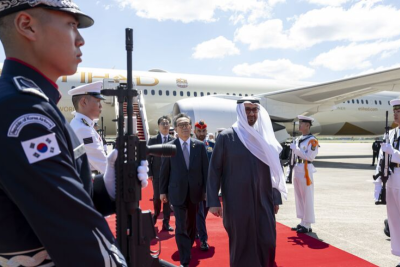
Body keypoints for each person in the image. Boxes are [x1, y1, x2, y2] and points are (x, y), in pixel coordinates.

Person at [0, 1, 146, 265]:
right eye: (71, 25)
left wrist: (107, 189)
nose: (81, 40)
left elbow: (55, 200)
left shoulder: (32, 102)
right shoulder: (24, 111)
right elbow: (77, 236)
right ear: (27, 26)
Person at [207, 98, 287, 267]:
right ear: (240, 112)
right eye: (247, 110)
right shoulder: (227, 137)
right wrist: (213, 201)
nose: (251, 113)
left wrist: (275, 198)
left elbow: (274, 170)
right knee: (242, 243)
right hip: (237, 202)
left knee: (268, 240)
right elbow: (214, 170)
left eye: (254, 110)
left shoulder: (263, 138)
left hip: (263, 199)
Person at [159, 113, 209, 267]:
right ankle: (185, 259)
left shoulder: (199, 146)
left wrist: (208, 191)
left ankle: (188, 246)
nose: (185, 128)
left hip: (195, 193)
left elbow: (205, 170)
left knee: (192, 226)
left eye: (187, 124)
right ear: (176, 128)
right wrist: (162, 192)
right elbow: (164, 171)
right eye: (181, 125)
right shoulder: (170, 147)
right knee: (181, 225)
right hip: (177, 192)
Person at [376, 99, 400, 267]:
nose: (395, 114)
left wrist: (394, 152)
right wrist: (378, 181)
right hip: (391, 177)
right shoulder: (391, 133)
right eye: (394, 111)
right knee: (394, 219)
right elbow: (381, 157)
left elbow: (392, 152)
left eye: (398, 111)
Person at [69, 81, 107, 174]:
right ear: (84, 102)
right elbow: (103, 165)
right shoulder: (83, 129)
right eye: (98, 101)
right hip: (89, 180)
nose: (101, 106)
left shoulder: (80, 124)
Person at [290, 115, 319, 234]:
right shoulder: (298, 139)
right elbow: (293, 156)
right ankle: (302, 221)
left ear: (307, 125)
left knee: (307, 197)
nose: (299, 125)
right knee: (299, 197)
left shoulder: (312, 140)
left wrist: (296, 149)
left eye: (301, 123)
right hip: (298, 168)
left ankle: (308, 223)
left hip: (306, 169)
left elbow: (310, 156)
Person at [147, 115, 174, 231]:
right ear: (158, 126)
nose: (165, 125)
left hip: (170, 174)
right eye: (163, 123)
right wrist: (150, 172)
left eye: (167, 123)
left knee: (168, 198)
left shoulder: (173, 140)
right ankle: (156, 214)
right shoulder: (153, 140)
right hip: (157, 173)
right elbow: (148, 156)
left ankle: (166, 222)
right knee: (157, 197)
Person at [193, 120, 214, 251]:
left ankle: (196, 229)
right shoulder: (190, 145)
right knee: (200, 212)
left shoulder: (212, 145)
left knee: (204, 212)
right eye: (199, 131)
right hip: (196, 185)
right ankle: (203, 239)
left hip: (209, 185)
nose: (201, 133)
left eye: (203, 131)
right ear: (194, 132)